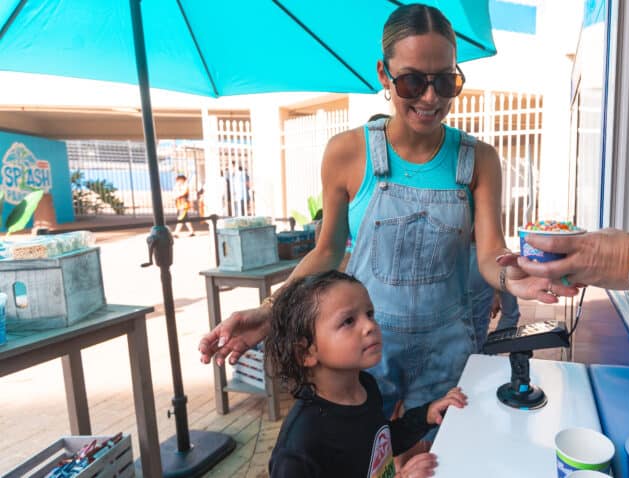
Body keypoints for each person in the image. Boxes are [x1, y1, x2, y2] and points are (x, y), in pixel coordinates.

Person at [200, 3, 574, 428]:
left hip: (447, 354)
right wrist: (271, 309)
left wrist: (513, 278)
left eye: (445, 82)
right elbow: (326, 254)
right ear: (384, 74)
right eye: (412, 82)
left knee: (436, 457)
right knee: (369, 456)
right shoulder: (346, 153)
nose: (430, 98)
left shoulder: (480, 160)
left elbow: (489, 254)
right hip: (366, 353)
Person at [266, 271, 467, 478]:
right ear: (306, 352)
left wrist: (425, 415)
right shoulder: (300, 445)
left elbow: (379, 443)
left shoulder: (365, 386)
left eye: (369, 314)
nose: (370, 326)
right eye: (348, 321)